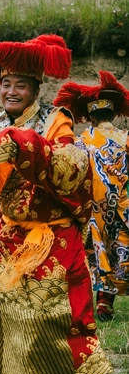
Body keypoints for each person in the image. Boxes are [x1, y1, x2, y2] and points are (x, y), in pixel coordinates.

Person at [0, 34, 113, 374]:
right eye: (5, 84)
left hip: (46, 238)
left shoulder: (54, 121)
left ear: (36, 89)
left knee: (36, 322)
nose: (10, 91)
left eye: (20, 85)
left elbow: (71, 168)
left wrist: (24, 147)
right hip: (9, 235)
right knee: (3, 318)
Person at [54, 71, 129, 321]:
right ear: (111, 114)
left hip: (92, 206)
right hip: (121, 204)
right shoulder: (125, 138)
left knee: (95, 251)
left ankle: (95, 302)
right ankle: (106, 302)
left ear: (90, 115)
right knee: (118, 247)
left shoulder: (81, 140)